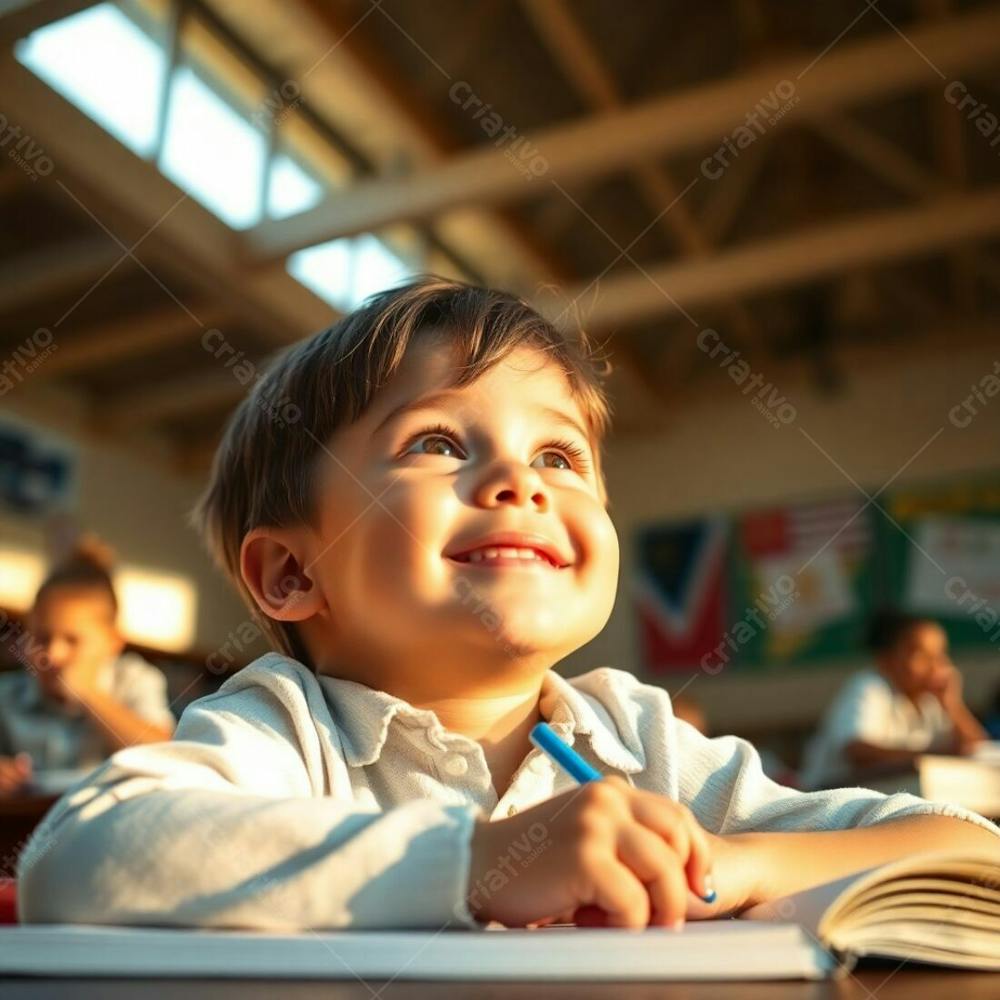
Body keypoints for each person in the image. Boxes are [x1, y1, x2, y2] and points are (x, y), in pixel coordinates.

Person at [17, 278, 998, 933]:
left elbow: (965, 842)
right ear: (288, 575)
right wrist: (477, 861)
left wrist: (742, 862)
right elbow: (78, 862)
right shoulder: (285, 724)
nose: (520, 482)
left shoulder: (634, 732)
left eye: (560, 456)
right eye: (439, 443)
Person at [0, 539, 176, 795]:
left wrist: (89, 694)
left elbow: (162, 756)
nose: (52, 653)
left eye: (72, 641)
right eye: (41, 638)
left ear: (113, 643)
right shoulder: (7, 694)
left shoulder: (136, 680)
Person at [799, 610, 988, 791]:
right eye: (921, 655)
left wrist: (953, 705)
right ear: (886, 660)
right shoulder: (869, 687)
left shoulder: (932, 702)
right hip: (830, 802)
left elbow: (977, 750)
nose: (935, 665)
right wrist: (935, 758)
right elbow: (857, 751)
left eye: (939, 655)